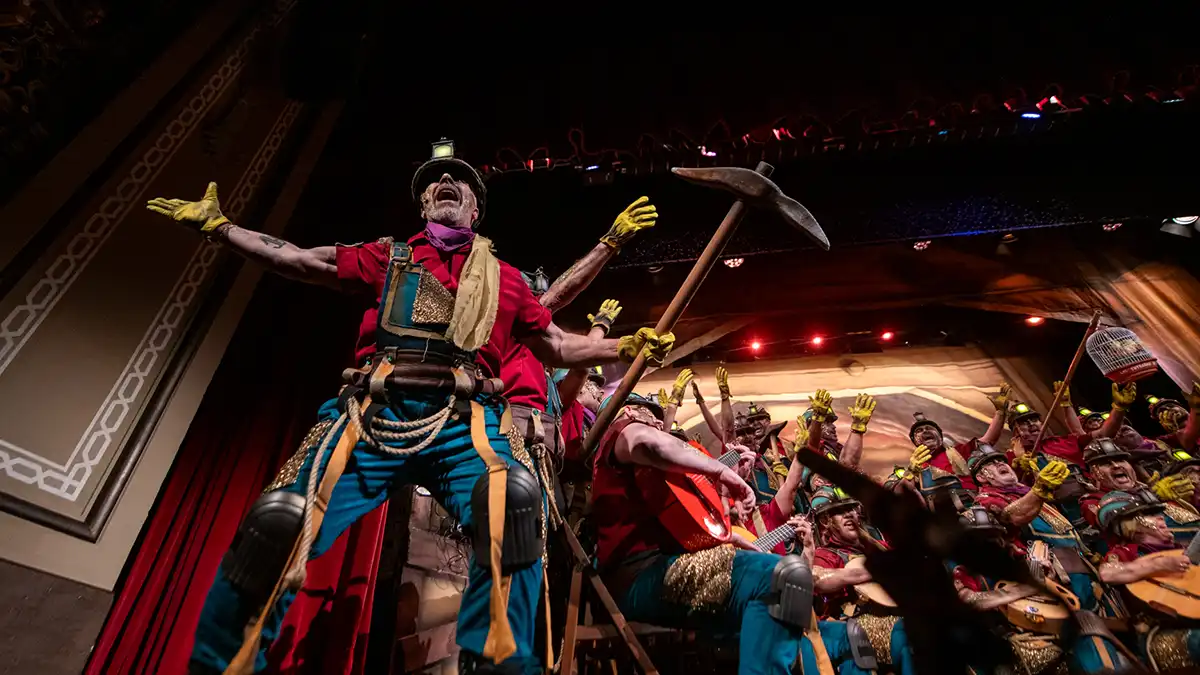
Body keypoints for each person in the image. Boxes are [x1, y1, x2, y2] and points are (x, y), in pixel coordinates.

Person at [145, 151, 673, 674]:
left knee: (510, 502)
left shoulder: (506, 279)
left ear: (475, 210)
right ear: (424, 202)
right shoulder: (386, 256)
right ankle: (223, 665)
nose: (447, 179)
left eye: (461, 180)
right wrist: (221, 227)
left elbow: (556, 344)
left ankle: (496, 664)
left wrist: (622, 347)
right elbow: (301, 259)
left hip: (465, 417)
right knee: (278, 521)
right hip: (374, 410)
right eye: (437, 179)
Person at [591, 393, 817, 675]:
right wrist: (721, 470)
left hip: (664, 573)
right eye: (650, 414)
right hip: (639, 578)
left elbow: (686, 531)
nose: (657, 423)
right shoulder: (621, 433)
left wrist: (731, 537)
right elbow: (646, 441)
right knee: (783, 576)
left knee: (784, 601)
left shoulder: (656, 475)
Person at [951, 505, 1130, 674]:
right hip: (1009, 633)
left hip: (1052, 621)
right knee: (1038, 655)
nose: (989, 543)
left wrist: (1050, 575)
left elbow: (1056, 588)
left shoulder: (1020, 558)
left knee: (1089, 630)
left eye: (993, 536)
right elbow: (970, 601)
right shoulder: (964, 572)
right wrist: (1023, 590)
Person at [966, 446, 1111, 613]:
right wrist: (1038, 490)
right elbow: (1011, 515)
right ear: (980, 477)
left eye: (1001, 460)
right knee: (1084, 613)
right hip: (1053, 569)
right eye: (991, 463)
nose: (1000, 463)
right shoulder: (986, 499)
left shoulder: (1023, 491)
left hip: (1078, 559)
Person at [809, 488, 914, 675]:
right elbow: (817, 580)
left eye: (852, 510)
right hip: (857, 623)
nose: (849, 515)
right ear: (826, 521)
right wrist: (871, 571)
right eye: (840, 512)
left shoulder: (878, 548)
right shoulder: (826, 554)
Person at [1094, 489, 1200, 670]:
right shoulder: (1124, 553)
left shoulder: (1182, 550)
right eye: (1150, 514)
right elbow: (1108, 573)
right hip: (1163, 633)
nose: (1161, 517)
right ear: (1128, 523)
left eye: (1159, 513)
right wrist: (1158, 565)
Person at [1079, 438, 1199, 548]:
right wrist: (1153, 496)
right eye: (1105, 463)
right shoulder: (1093, 501)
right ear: (1093, 474)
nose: (1116, 465)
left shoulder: (1159, 490)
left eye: (1120, 460)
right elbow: (1119, 523)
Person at [905, 380, 1010, 491]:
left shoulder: (959, 451)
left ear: (940, 437)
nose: (925, 431)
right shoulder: (916, 467)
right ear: (915, 442)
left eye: (929, 428)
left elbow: (987, 442)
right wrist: (911, 471)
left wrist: (1000, 413)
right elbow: (901, 494)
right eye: (919, 431)